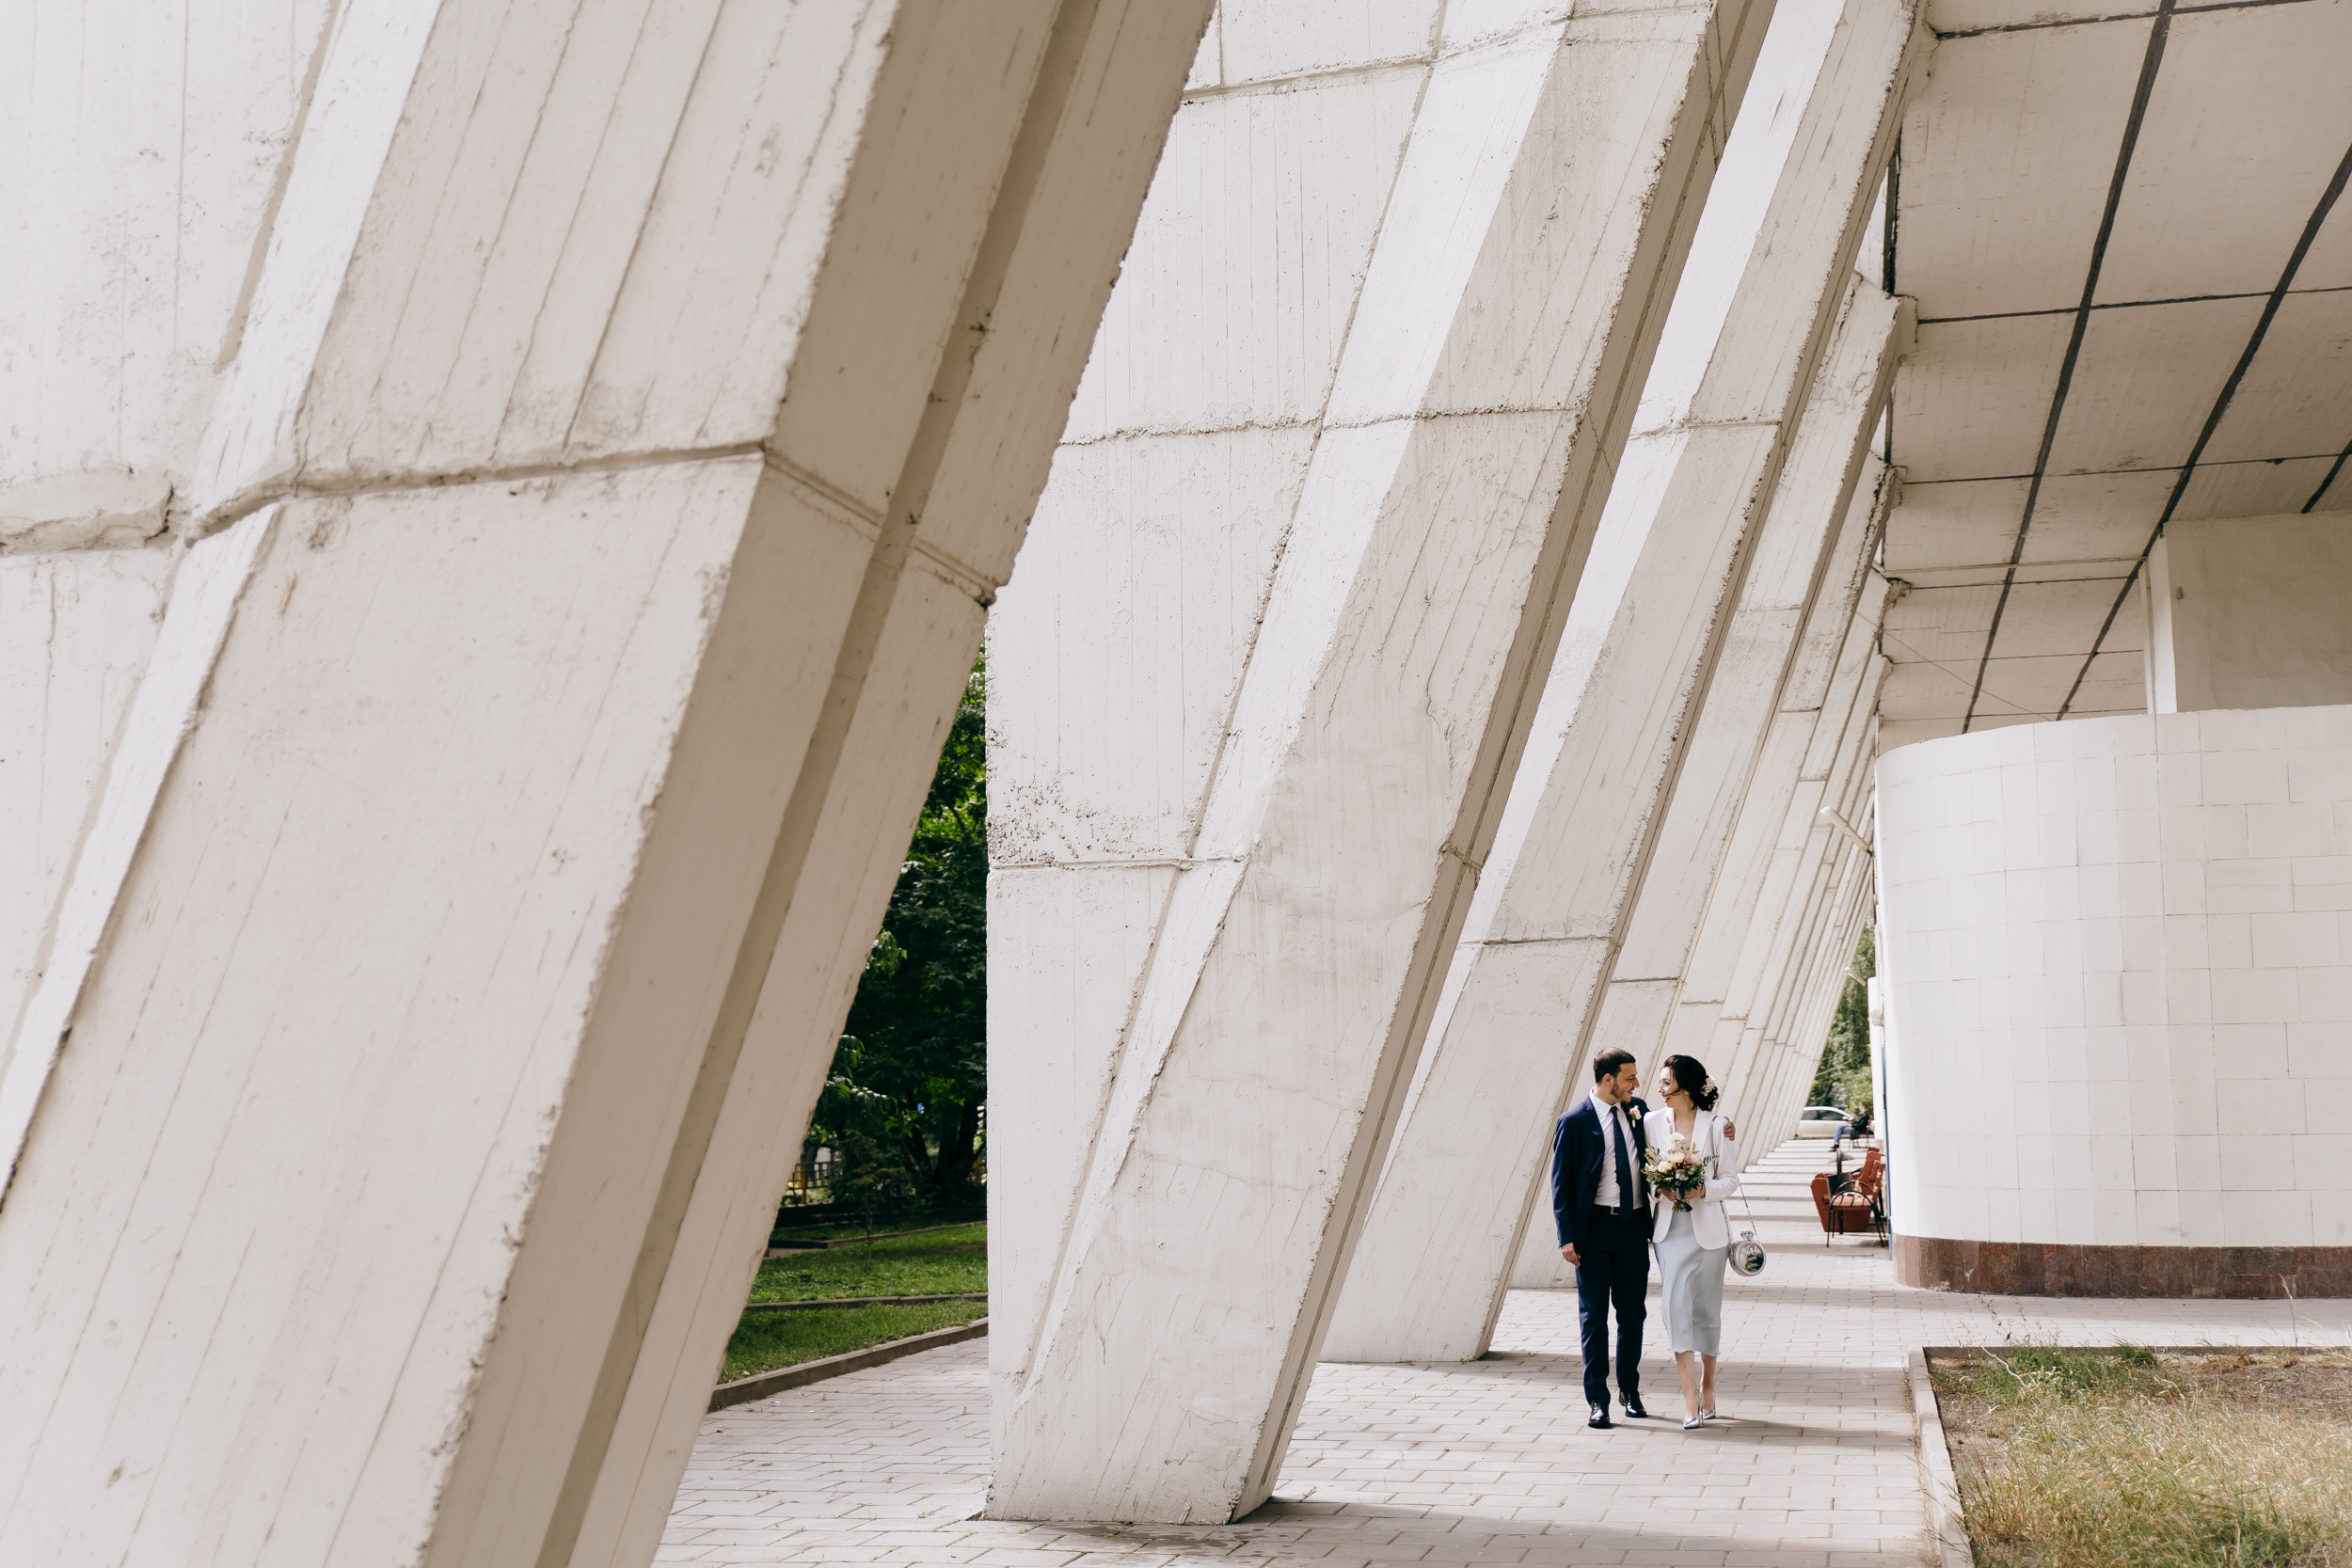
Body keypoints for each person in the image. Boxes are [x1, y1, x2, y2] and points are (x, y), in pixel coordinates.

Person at [1550, 1048, 1652, 1429]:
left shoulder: (1637, 1110)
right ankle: (1597, 1399)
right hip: (1593, 1231)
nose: (1636, 1084)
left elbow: (1680, 1126)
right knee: (1594, 1319)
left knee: (1633, 1315)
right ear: (1608, 1080)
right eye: (1629, 1078)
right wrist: (1566, 1237)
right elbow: (1562, 1185)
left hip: (1633, 1227)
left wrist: (1724, 1127)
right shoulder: (1574, 1121)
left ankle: (1630, 1389)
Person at [1649, 1053, 1740, 1429]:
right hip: (1669, 1234)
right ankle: (1688, 1397)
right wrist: (1662, 1190)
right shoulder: (1653, 1122)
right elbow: (1646, 1176)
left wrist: (1702, 1188)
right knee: (1674, 1308)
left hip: (1709, 1235)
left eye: (1666, 1083)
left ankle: (1708, 1387)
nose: (1660, 1090)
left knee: (1706, 1314)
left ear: (1686, 1087)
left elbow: (1731, 1181)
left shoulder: (1718, 1126)